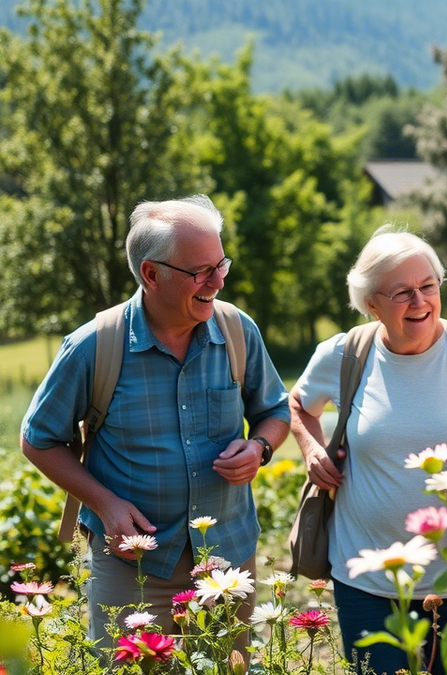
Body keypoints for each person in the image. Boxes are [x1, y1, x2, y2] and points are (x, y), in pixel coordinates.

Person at [20, 195, 290, 647]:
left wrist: (260, 447)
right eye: (201, 271)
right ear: (151, 273)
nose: (218, 281)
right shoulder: (93, 347)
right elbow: (38, 439)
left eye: (221, 264)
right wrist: (105, 504)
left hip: (227, 556)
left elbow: (274, 411)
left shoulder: (238, 331)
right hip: (133, 565)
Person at [289, 228, 447, 675]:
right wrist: (312, 448)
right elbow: (297, 404)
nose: (420, 301)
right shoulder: (345, 355)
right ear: (372, 303)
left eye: (428, 286)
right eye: (403, 292)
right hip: (366, 578)